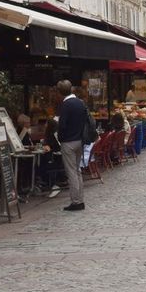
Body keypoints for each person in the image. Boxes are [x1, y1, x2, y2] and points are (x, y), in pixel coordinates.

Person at [54, 80, 92, 212]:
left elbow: (62, 125)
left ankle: (75, 201)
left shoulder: (66, 105)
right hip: (79, 140)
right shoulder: (80, 103)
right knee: (77, 171)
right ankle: (80, 199)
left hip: (68, 142)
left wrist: (60, 137)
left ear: (59, 92)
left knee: (71, 172)